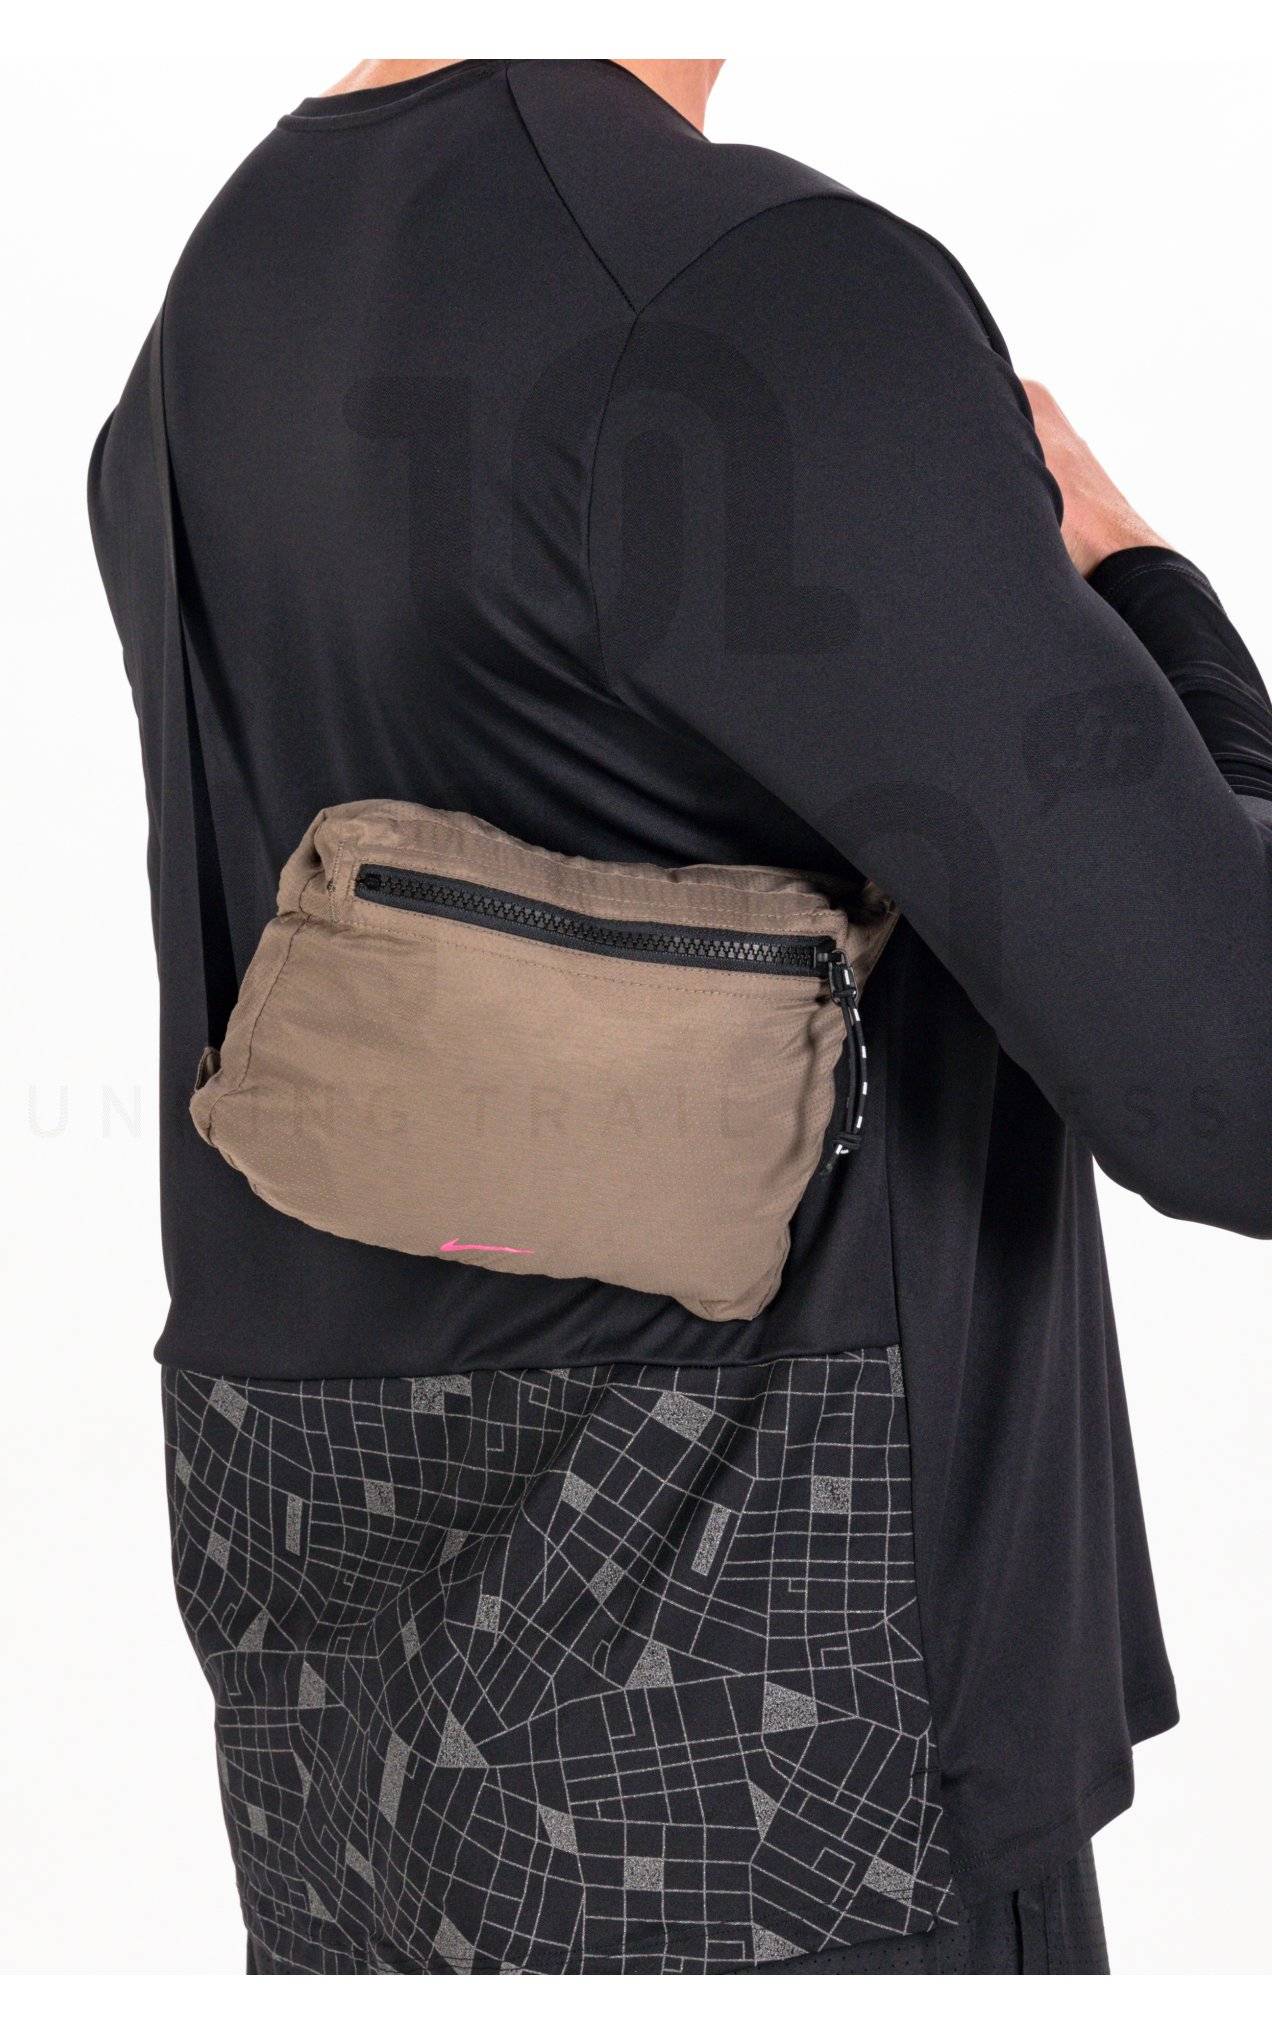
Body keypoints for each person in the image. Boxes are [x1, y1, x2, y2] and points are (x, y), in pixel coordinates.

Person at [88, 58, 1272, 1976]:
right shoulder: (753, 298)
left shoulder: (223, 295)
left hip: (357, 1788)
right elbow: (1236, 1070)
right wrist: (1148, 588)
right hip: (789, 1778)